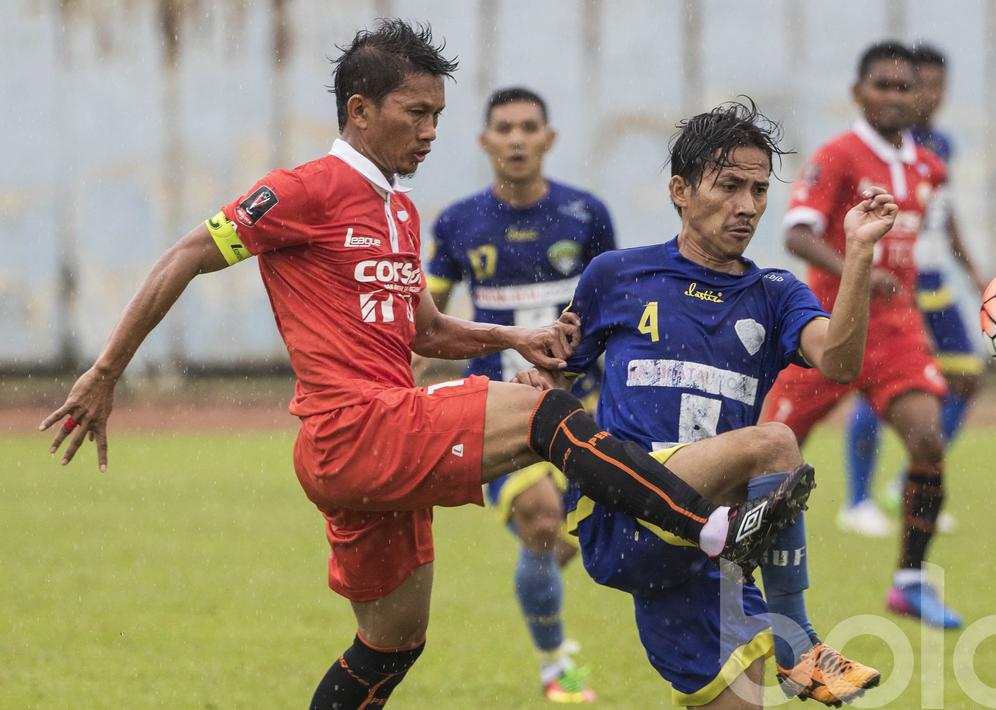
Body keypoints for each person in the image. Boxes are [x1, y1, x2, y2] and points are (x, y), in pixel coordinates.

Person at [39, 21, 818, 709]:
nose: (432, 132)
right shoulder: (299, 190)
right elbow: (185, 254)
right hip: (354, 427)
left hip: (380, 441)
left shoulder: (398, 210)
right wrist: (106, 373)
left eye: (439, 115)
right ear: (359, 110)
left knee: (392, 643)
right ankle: (711, 528)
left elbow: (426, 332)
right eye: (417, 114)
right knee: (547, 418)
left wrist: (514, 340)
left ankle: (703, 525)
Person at [517, 99, 896, 708]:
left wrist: (857, 253)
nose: (747, 206)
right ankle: (800, 641)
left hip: (707, 548)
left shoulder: (774, 293)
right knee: (773, 442)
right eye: (729, 186)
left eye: (758, 189)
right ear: (680, 190)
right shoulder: (616, 275)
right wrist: (538, 382)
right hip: (625, 512)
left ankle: (784, 637)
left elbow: (842, 363)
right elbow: (553, 377)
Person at [761, 41, 964, 629]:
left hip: (897, 331)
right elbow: (797, 234)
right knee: (766, 454)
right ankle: (721, 565)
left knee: (927, 439)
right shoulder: (840, 156)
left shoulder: (929, 166)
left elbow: (934, 235)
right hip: (825, 328)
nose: (895, 97)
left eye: (905, 87)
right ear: (858, 92)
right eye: (882, 85)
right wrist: (856, 263)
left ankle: (910, 581)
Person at [425, 86, 615, 703]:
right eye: (503, 128)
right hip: (499, 407)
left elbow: (614, 310)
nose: (515, 139)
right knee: (539, 518)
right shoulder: (458, 223)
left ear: (548, 139)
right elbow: (425, 317)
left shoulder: (587, 216)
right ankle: (556, 666)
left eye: (528, 127)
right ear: (484, 140)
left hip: (585, 406)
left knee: (587, 537)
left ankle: (552, 575)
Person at [840, 43, 984, 538]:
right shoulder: (881, 146)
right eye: (921, 85)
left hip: (935, 279)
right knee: (886, 384)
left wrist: (974, 272)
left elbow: (943, 213)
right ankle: (857, 500)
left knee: (965, 375)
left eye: (939, 86)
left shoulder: (939, 146)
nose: (931, 95)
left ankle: (915, 474)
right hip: (894, 281)